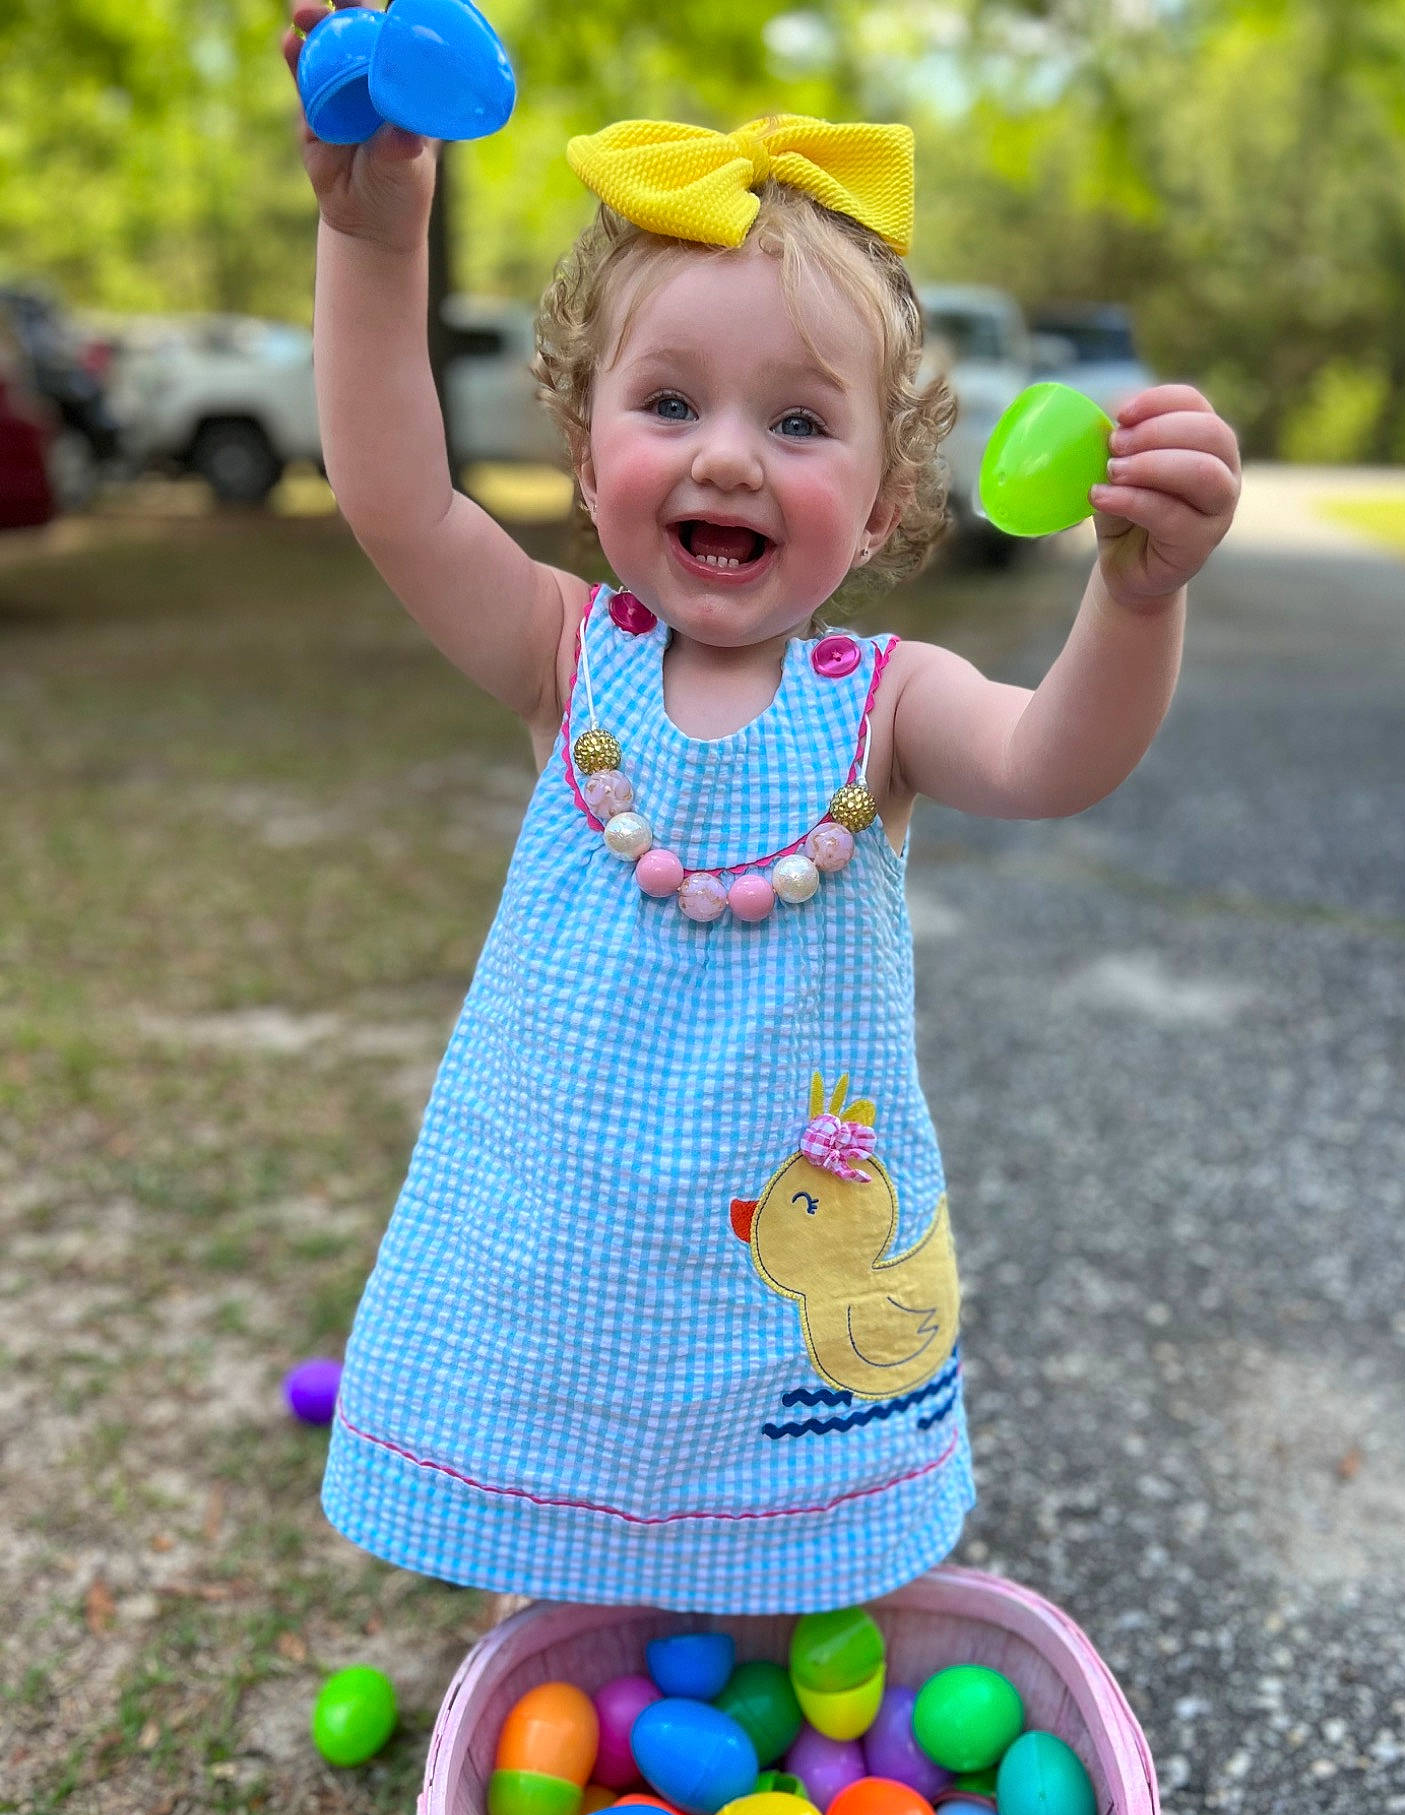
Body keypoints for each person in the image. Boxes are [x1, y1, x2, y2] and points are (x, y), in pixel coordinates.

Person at [282, 13, 1242, 1616]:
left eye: (799, 423)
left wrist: (1137, 605)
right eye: (670, 403)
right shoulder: (558, 653)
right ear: (587, 462)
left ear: (879, 502)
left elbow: (1054, 759)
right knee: (594, 1524)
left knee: (774, 1527)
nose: (729, 454)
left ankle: (772, 1600)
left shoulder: (889, 699)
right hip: (577, 1236)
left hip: (776, 1249)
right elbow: (392, 493)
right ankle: (580, 1609)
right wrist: (373, 235)